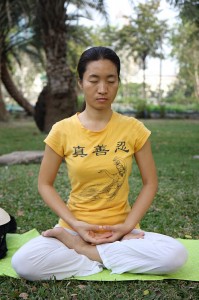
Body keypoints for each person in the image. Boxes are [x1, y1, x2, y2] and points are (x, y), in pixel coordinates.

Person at [12, 46, 188, 281]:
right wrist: (75, 224)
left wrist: (126, 227)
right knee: (24, 263)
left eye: (111, 81)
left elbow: (150, 183)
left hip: (122, 231)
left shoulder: (134, 129)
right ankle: (105, 255)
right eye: (93, 80)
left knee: (175, 256)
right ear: (80, 82)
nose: (103, 89)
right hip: (73, 228)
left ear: (118, 82)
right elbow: (45, 184)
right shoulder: (62, 130)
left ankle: (84, 252)